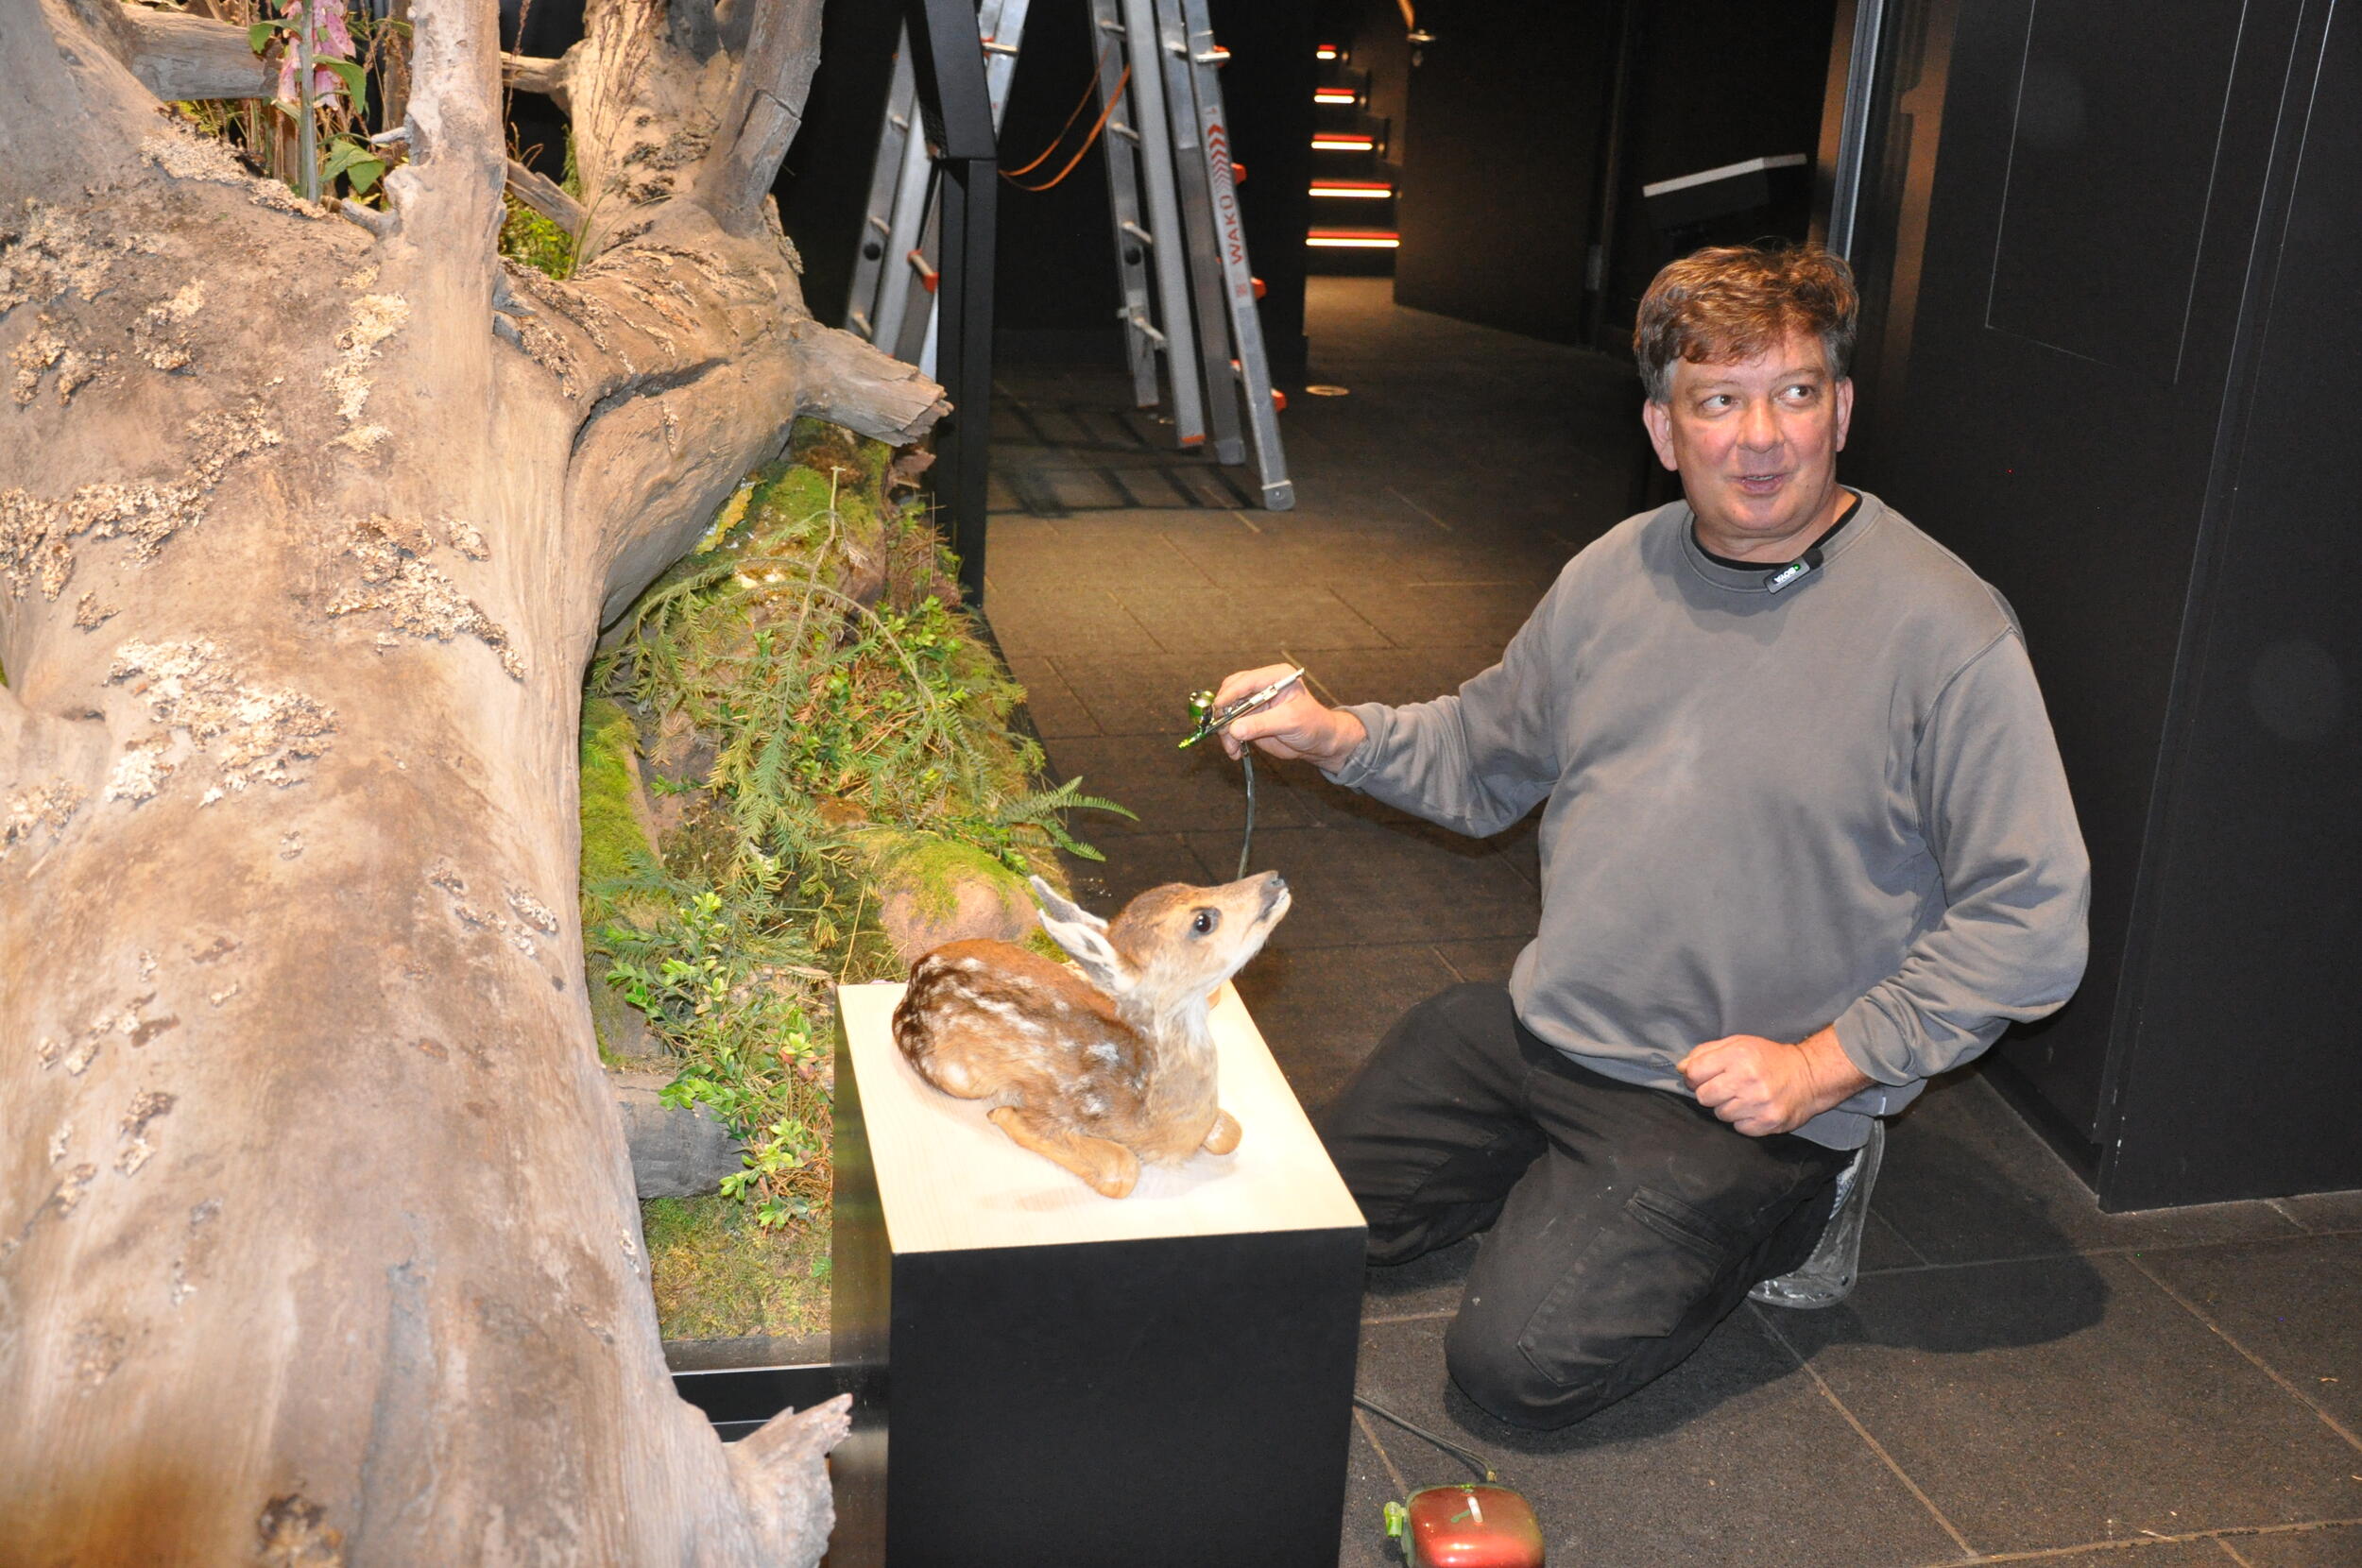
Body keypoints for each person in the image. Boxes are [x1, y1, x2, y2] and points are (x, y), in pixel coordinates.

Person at [1212, 244, 2091, 1428]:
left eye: (1791, 392)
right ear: (1664, 429)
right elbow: (1481, 756)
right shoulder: (1611, 573)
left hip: (1734, 1092)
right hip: (1546, 1027)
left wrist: (1825, 1066)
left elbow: (2032, 920)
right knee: (1281, 1216)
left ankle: (1806, 1194)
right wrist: (1333, 733)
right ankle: (1573, 1189)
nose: (1760, 437)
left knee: (1513, 1367)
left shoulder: (1945, 629)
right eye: (1717, 401)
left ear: (1839, 406)